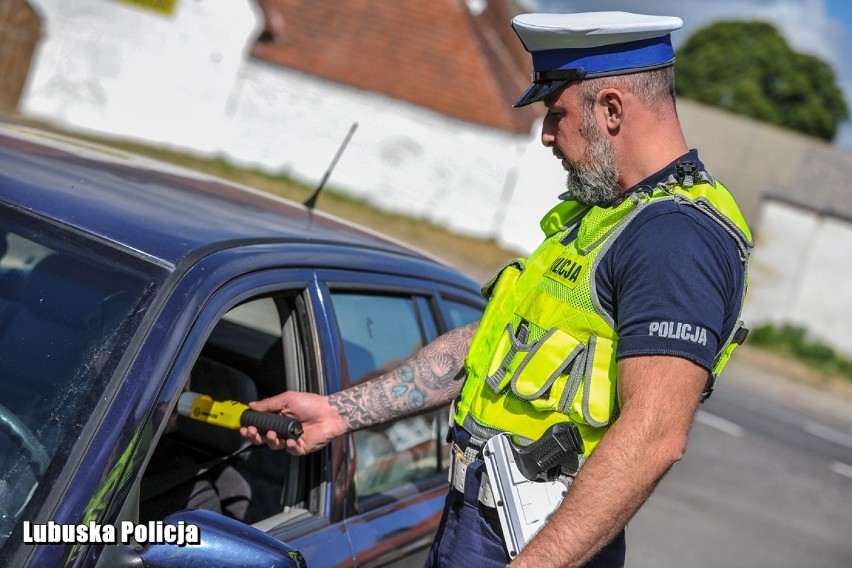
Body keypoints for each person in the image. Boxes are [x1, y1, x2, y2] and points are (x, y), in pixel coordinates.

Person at [241, 11, 752, 568]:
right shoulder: (602, 217)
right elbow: (488, 347)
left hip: (537, 547)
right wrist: (339, 413)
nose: (547, 137)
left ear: (611, 109)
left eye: (556, 115)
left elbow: (655, 434)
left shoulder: (677, 240)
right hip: (478, 525)